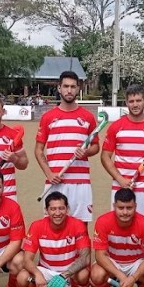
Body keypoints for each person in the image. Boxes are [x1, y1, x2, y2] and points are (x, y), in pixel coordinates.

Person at [35, 71, 100, 223]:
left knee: (81, 227)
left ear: (78, 89)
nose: (69, 90)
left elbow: (96, 146)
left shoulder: (88, 117)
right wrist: (49, 174)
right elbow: (38, 150)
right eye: (65, 86)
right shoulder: (48, 117)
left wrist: (86, 152)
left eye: (72, 87)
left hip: (81, 182)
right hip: (56, 181)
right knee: (52, 227)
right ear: (59, 88)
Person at [15, 192, 92, 287]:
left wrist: (63, 276)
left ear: (67, 209)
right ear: (46, 210)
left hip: (70, 272)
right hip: (47, 272)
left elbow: (85, 258)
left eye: (61, 208)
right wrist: (38, 275)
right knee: (22, 278)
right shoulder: (37, 226)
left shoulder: (78, 225)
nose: (57, 213)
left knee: (84, 274)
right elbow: (27, 260)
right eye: (53, 209)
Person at [101, 84, 144, 217]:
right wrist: (120, 179)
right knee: (120, 226)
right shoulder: (116, 127)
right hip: (121, 187)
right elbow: (105, 156)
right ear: (126, 103)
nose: (135, 105)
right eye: (131, 101)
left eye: (138, 100)